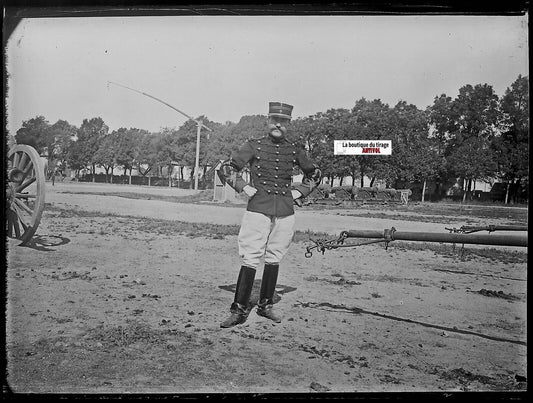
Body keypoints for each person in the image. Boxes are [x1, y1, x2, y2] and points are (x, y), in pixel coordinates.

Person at [217, 101, 321, 328]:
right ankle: (239, 309)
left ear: (288, 124)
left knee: (274, 256)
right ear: (267, 121)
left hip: (285, 210)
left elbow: (315, 174)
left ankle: (265, 306)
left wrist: (299, 191)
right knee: (251, 255)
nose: (278, 124)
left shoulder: (295, 149)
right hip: (258, 208)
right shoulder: (253, 146)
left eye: (283, 121)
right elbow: (226, 168)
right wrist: (243, 187)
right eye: (274, 120)